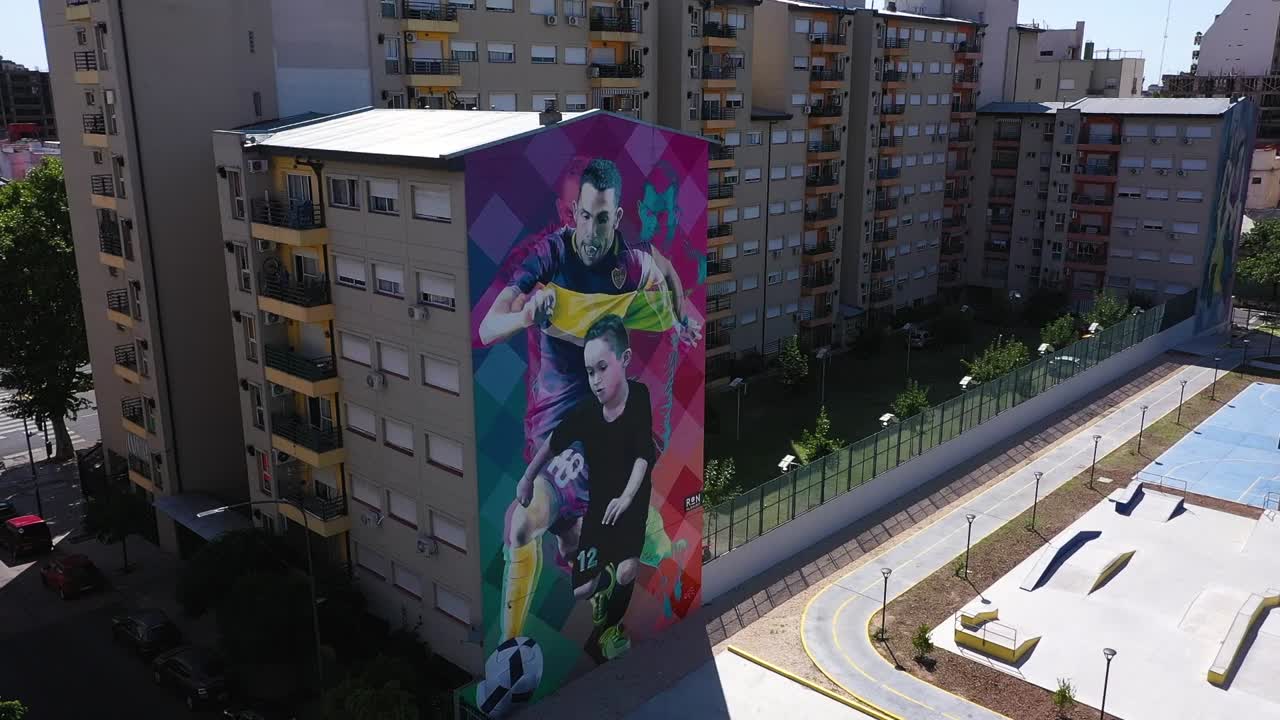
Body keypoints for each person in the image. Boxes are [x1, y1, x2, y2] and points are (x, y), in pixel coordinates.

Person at [477, 158, 699, 458]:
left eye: (602, 219)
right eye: (584, 216)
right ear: (574, 212)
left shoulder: (633, 256)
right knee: (538, 503)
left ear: (617, 217)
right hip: (554, 426)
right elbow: (487, 329)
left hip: (603, 425)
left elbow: (668, 270)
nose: (591, 231)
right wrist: (525, 316)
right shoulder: (550, 254)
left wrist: (681, 319)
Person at [499, 315, 655, 665]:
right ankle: (600, 586)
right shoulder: (585, 414)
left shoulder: (639, 398)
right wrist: (526, 479)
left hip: (630, 501)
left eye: (601, 369)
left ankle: (610, 629)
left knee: (628, 569)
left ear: (624, 360)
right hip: (598, 502)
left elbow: (644, 457)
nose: (596, 381)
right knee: (582, 587)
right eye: (591, 372)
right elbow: (552, 444)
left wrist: (628, 497)